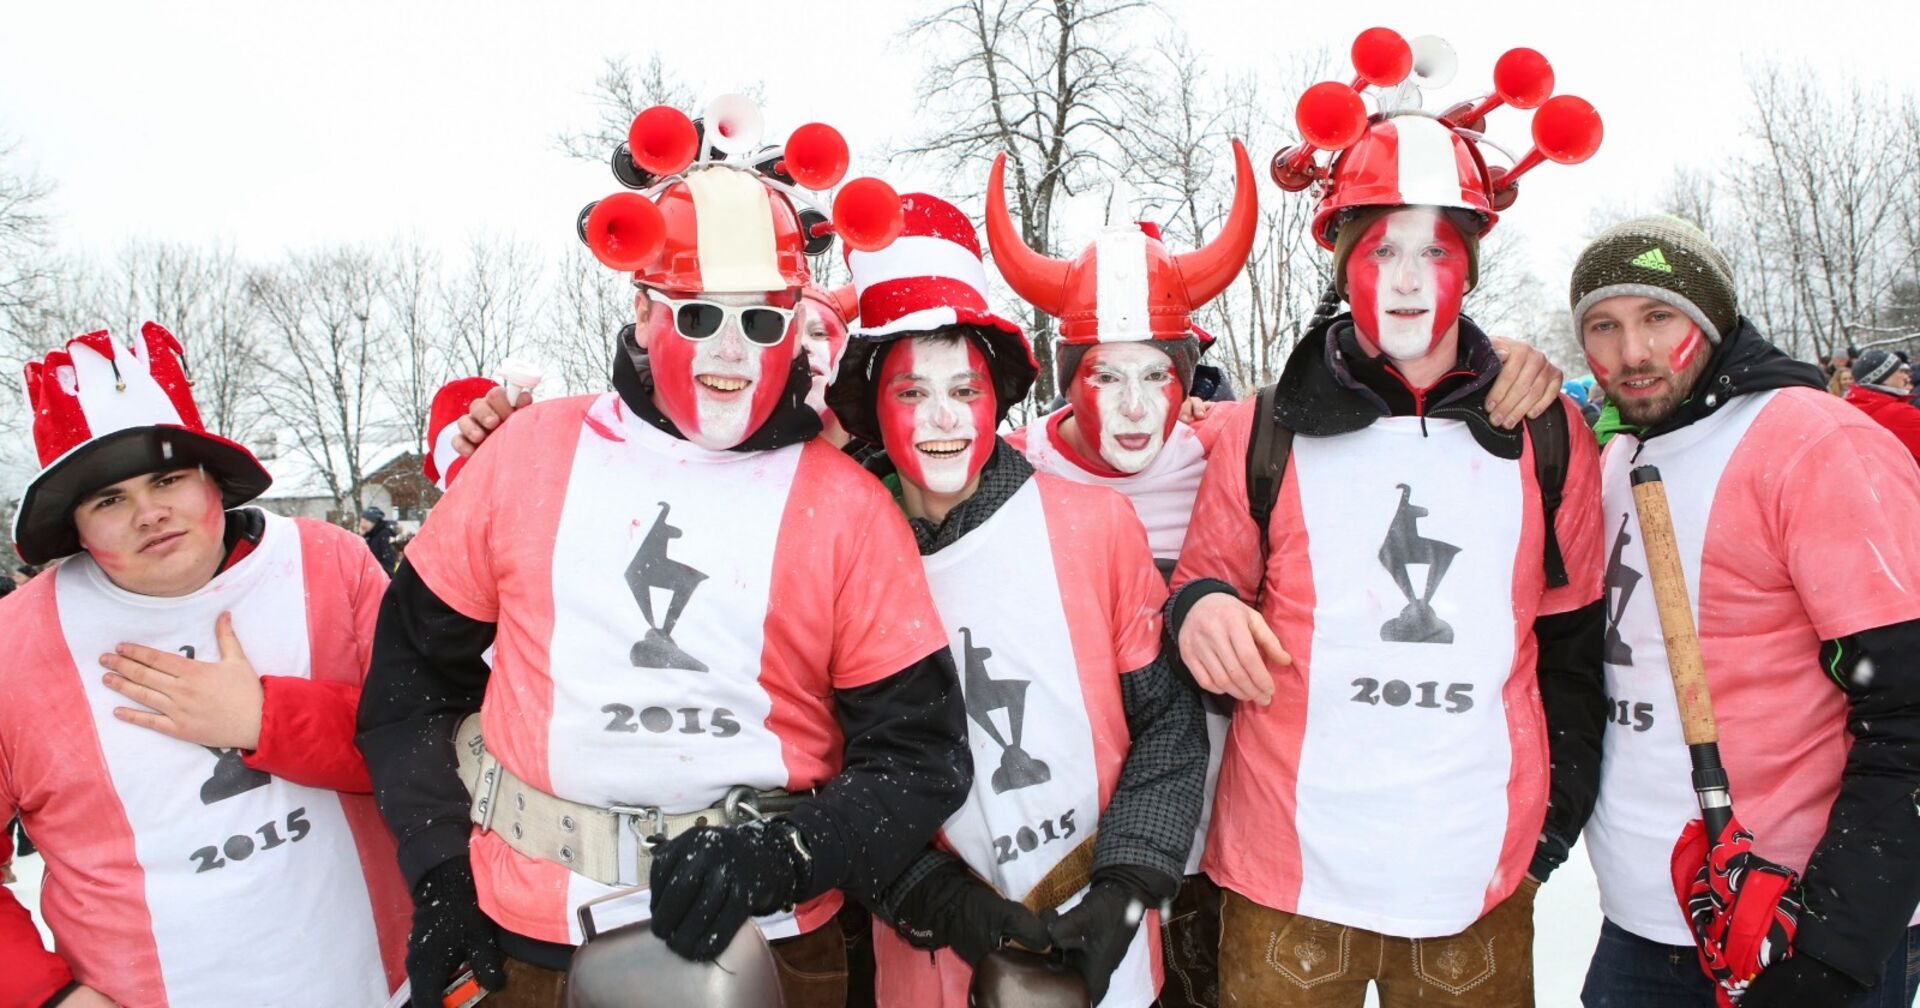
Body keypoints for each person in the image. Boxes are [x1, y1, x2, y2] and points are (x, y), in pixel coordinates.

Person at [355, 101, 970, 1008]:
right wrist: (441, 870)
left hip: (769, 945)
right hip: (526, 938)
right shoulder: (529, 457)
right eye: (697, 316)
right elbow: (409, 686)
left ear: (796, 325)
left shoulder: (845, 505)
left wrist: (782, 853)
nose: (730, 350)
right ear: (643, 311)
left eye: (761, 322)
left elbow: (921, 758)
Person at [1165, 102, 1607, 1006]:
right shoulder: (1263, 430)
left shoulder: (1549, 431)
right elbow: (1198, 581)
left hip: (1474, 883)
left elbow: (1572, 650)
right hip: (1288, 883)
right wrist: (1200, 609)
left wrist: (1545, 840)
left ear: (1470, 267)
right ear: (1344, 262)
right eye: (1382, 251)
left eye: (1435, 251)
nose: (1408, 279)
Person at [822, 191, 1208, 1007]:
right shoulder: (839, 555)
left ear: (997, 397)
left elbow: (1167, 723)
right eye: (910, 392)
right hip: (928, 962)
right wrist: (938, 899)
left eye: (964, 391)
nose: (941, 420)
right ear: (873, 406)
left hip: (1109, 948)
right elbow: (829, 770)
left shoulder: (1096, 526)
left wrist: (1127, 885)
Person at [0, 323, 409, 1007]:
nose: (149, 514)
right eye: (109, 500)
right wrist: (45, 996)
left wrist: (264, 718)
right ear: (73, 526)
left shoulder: (329, 563)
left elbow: (434, 746)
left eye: (168, 479)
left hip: (379, 984)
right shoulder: (16, 643)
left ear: (213, 481)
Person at [1567, 215, 1920, 1008]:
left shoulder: (1813, 442)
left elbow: (1910, 702)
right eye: (1604, 325)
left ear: (1713, 318)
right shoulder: (1620, 455)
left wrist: (1834, 946)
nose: (1632, 353)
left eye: (1660, 317)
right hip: (1640, 926)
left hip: (1793, 925)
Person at [1843, 348, 1920, 463]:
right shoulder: (1898, 413)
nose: (1907, 376)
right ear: (1884, 379)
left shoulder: (1852, 408)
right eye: (1900, 371)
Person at [359, 506, 399, 572]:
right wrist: (361, 537)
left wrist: (372, 570)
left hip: (381, 576)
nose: (362, 525)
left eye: (365, 521)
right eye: (361, 521)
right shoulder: (369, 535)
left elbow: (389, 562)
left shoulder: (384, 534)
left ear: (374, 522)